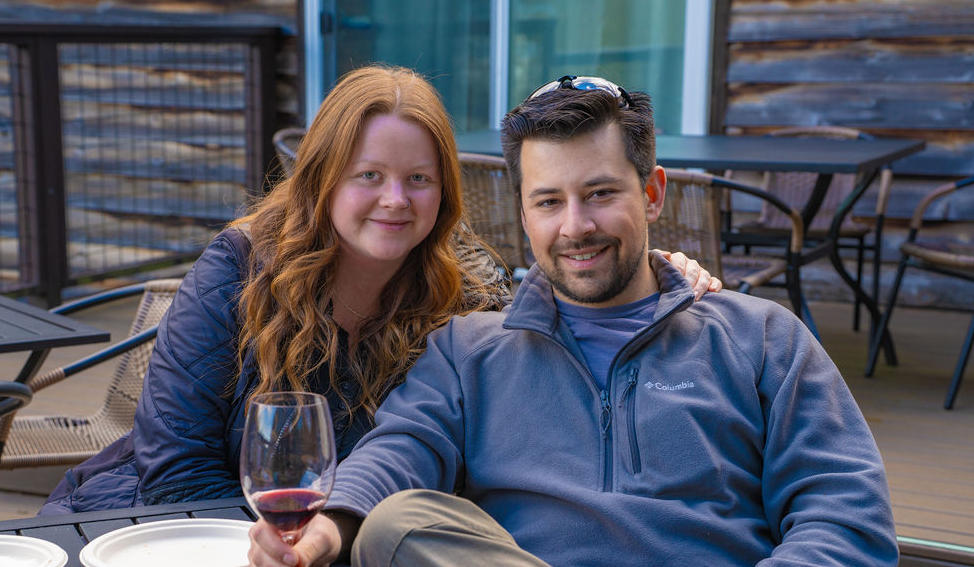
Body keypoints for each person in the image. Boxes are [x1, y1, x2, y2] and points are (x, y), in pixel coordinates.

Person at [245, 76, 898, 567]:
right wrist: (326, 531)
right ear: (523, 214)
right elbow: (400, 450)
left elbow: (848, 523)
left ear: (653, 193)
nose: (576, 226)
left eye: (600, 193)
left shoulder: (761, 340)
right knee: (396, 527)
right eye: (549, 201)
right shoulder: (469, 350)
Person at [40, 66, 717, 515]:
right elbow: (176, 465)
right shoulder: (241, 267)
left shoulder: (465, 292)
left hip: (340, 557)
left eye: (418, 179)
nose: (395, 200)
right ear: (324, 180)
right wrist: (282, 557)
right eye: (368, 175)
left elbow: (552, 331)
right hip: (159, 529)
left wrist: (655, 273)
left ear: (443, 191)